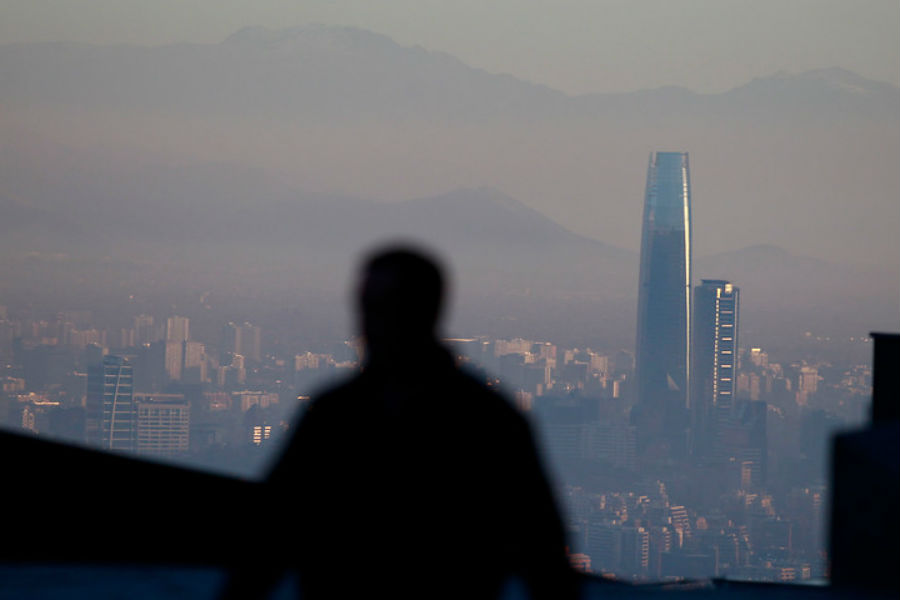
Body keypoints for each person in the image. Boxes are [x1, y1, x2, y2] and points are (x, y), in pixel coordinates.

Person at [224, 246, 578, 599]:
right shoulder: (490, 418)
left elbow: (267, 541)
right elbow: (269, 536)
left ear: (426, 311)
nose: (371, 322)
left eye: (388, 307)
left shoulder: (488, 422)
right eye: (368, 307)